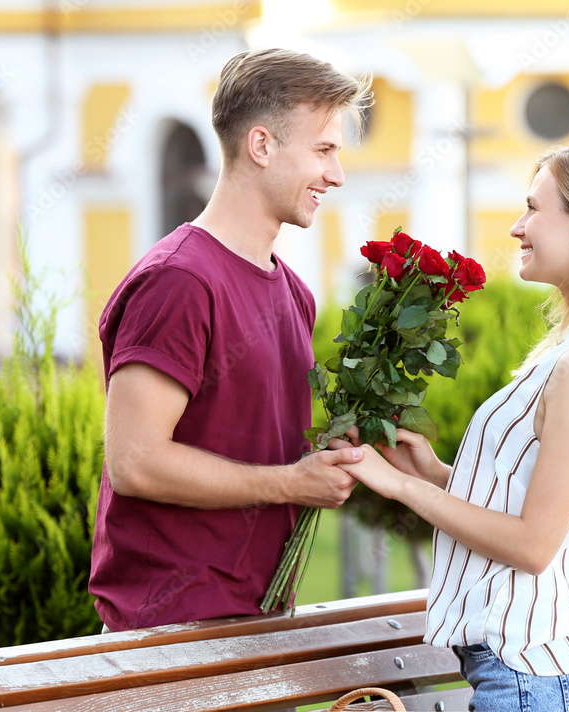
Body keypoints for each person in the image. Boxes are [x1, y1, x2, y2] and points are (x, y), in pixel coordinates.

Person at [330, 145, 569, 711]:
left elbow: (533, 544)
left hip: (535, 678)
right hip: (558, 671)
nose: (517, 228)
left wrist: (402, 487)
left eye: (532, 209)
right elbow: (541, 506)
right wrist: (438, 473)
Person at [89, 48, 372, 632]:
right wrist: (290, 482)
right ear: (262, 146)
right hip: (173, 635)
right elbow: (135, 461)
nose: (337, 174)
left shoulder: (293, 291)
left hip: (263, 621)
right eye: (323, 150)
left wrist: (330, 452)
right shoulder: (179, 281)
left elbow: (248, 435)